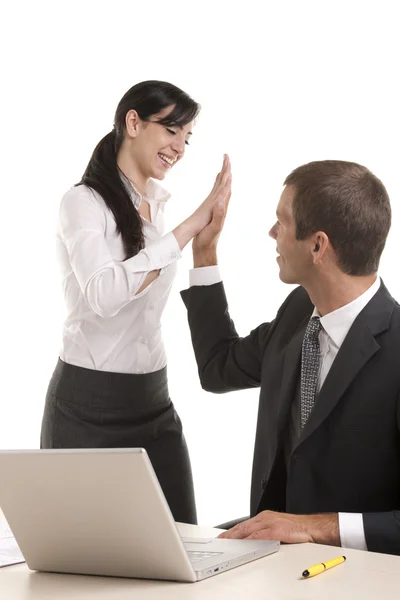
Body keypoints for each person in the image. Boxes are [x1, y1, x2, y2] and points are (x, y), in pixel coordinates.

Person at [181, 159, 400, 554]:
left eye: (280, 222)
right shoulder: (299, 312)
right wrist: (205, 251)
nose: (272, 233)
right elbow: (218, 368)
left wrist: (318, 527)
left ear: (318, 245)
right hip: (270, 564)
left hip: (357, 575)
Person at [40, 80, 231, 525]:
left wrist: (204, 239)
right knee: (83, 560)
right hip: (86, 406)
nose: (180, 147)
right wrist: (186, 230)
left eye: (187, 137)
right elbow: (105, 294)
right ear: (133, 122)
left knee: (182, 541)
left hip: (153, 401)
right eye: (172, 131)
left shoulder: (156, 208)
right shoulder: (82, 203)